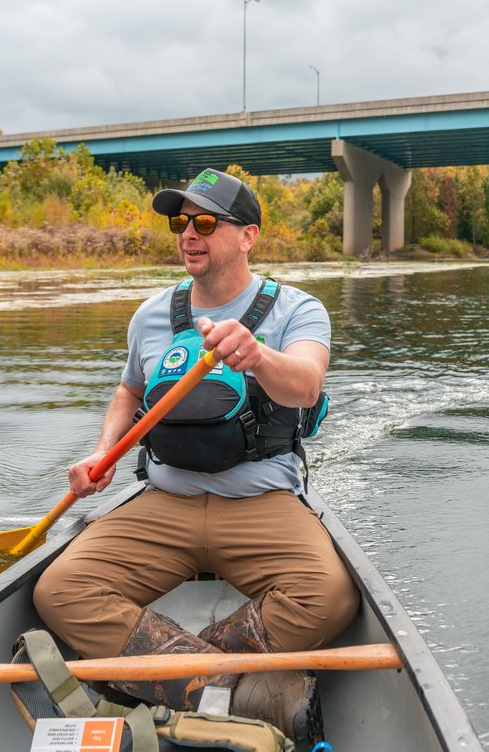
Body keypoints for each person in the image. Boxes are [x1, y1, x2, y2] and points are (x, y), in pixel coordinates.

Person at [33, 168, 359, 749]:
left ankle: (163, 676)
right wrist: (106, 449)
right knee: (58, 591)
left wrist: (257, 354)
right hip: (166, 499)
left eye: (206, 221)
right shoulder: (151, 314)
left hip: (259, 499)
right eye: (180, 222)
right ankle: (226, 689)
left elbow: (306, 385)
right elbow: (130, 392)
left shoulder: (298, 310)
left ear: (248, 236)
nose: (189, 233)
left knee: (330, 598)